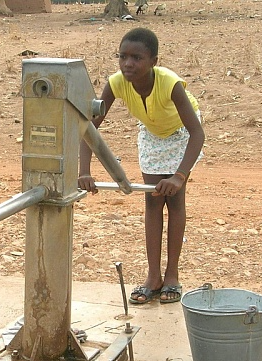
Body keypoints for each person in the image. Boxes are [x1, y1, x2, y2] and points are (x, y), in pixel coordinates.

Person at [78, 27, 204, 305]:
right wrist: (84, 171)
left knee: (174, 199)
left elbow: (197, 133)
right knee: (153, 200)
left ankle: (172, 276)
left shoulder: (170, 84)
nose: (128, 64)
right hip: (152, 134)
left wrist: (180, 176)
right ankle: (153, 277)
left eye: (137, 58)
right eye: (122, 56)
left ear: (154, 61)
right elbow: (89, 128)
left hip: (181, 132)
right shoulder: (116, 83)